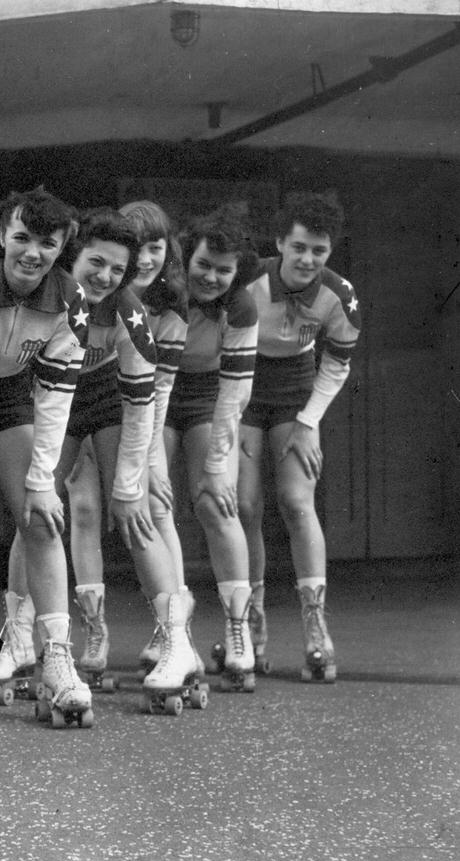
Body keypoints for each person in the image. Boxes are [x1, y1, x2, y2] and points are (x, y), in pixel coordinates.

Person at [44, 207, 204, 710]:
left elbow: (142, 403)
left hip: (110, 398)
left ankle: (177, 643)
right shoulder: (44, 297)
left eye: (118, 269)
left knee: (137, 516)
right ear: (74, 256)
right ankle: (28, 640)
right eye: (97, 262)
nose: (105, 277)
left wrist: (130, 484)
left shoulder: (130, 313)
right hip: (53, 399)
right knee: (40, 509)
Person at [0, 187, 95, 727]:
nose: (32, 252)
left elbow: (57, 395)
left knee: (42, 517)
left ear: (63, 247)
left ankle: (57, 657)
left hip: (7, 398)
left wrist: (41, 480)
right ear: (0, 239)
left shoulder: (70, 300)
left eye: (47, 243)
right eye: (21, 238)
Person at [239, 192, 361, 681]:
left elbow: (337, 362)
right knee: (244, 506)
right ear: (279, 244)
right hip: (242, 388)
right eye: (299, 248)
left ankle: (315, 627)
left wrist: (309, 421)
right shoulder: (248, 281)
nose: (308, 259)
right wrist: (229, 421)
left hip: (294, 392)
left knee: (295, 500)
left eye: (319, 250)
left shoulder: (340, 296)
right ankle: (249, 623)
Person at [162, 203, 261, 690]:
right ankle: (172, 630)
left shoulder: (240, 306)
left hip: (206, 398)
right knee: (156, 504)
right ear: (187, 257)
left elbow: (235, 392)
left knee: (217, 504)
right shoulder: (166, 293)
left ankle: (237, 631)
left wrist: (219, 466)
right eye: (204, 264)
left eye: (224, 270)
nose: (212, 277)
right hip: (155, 394)